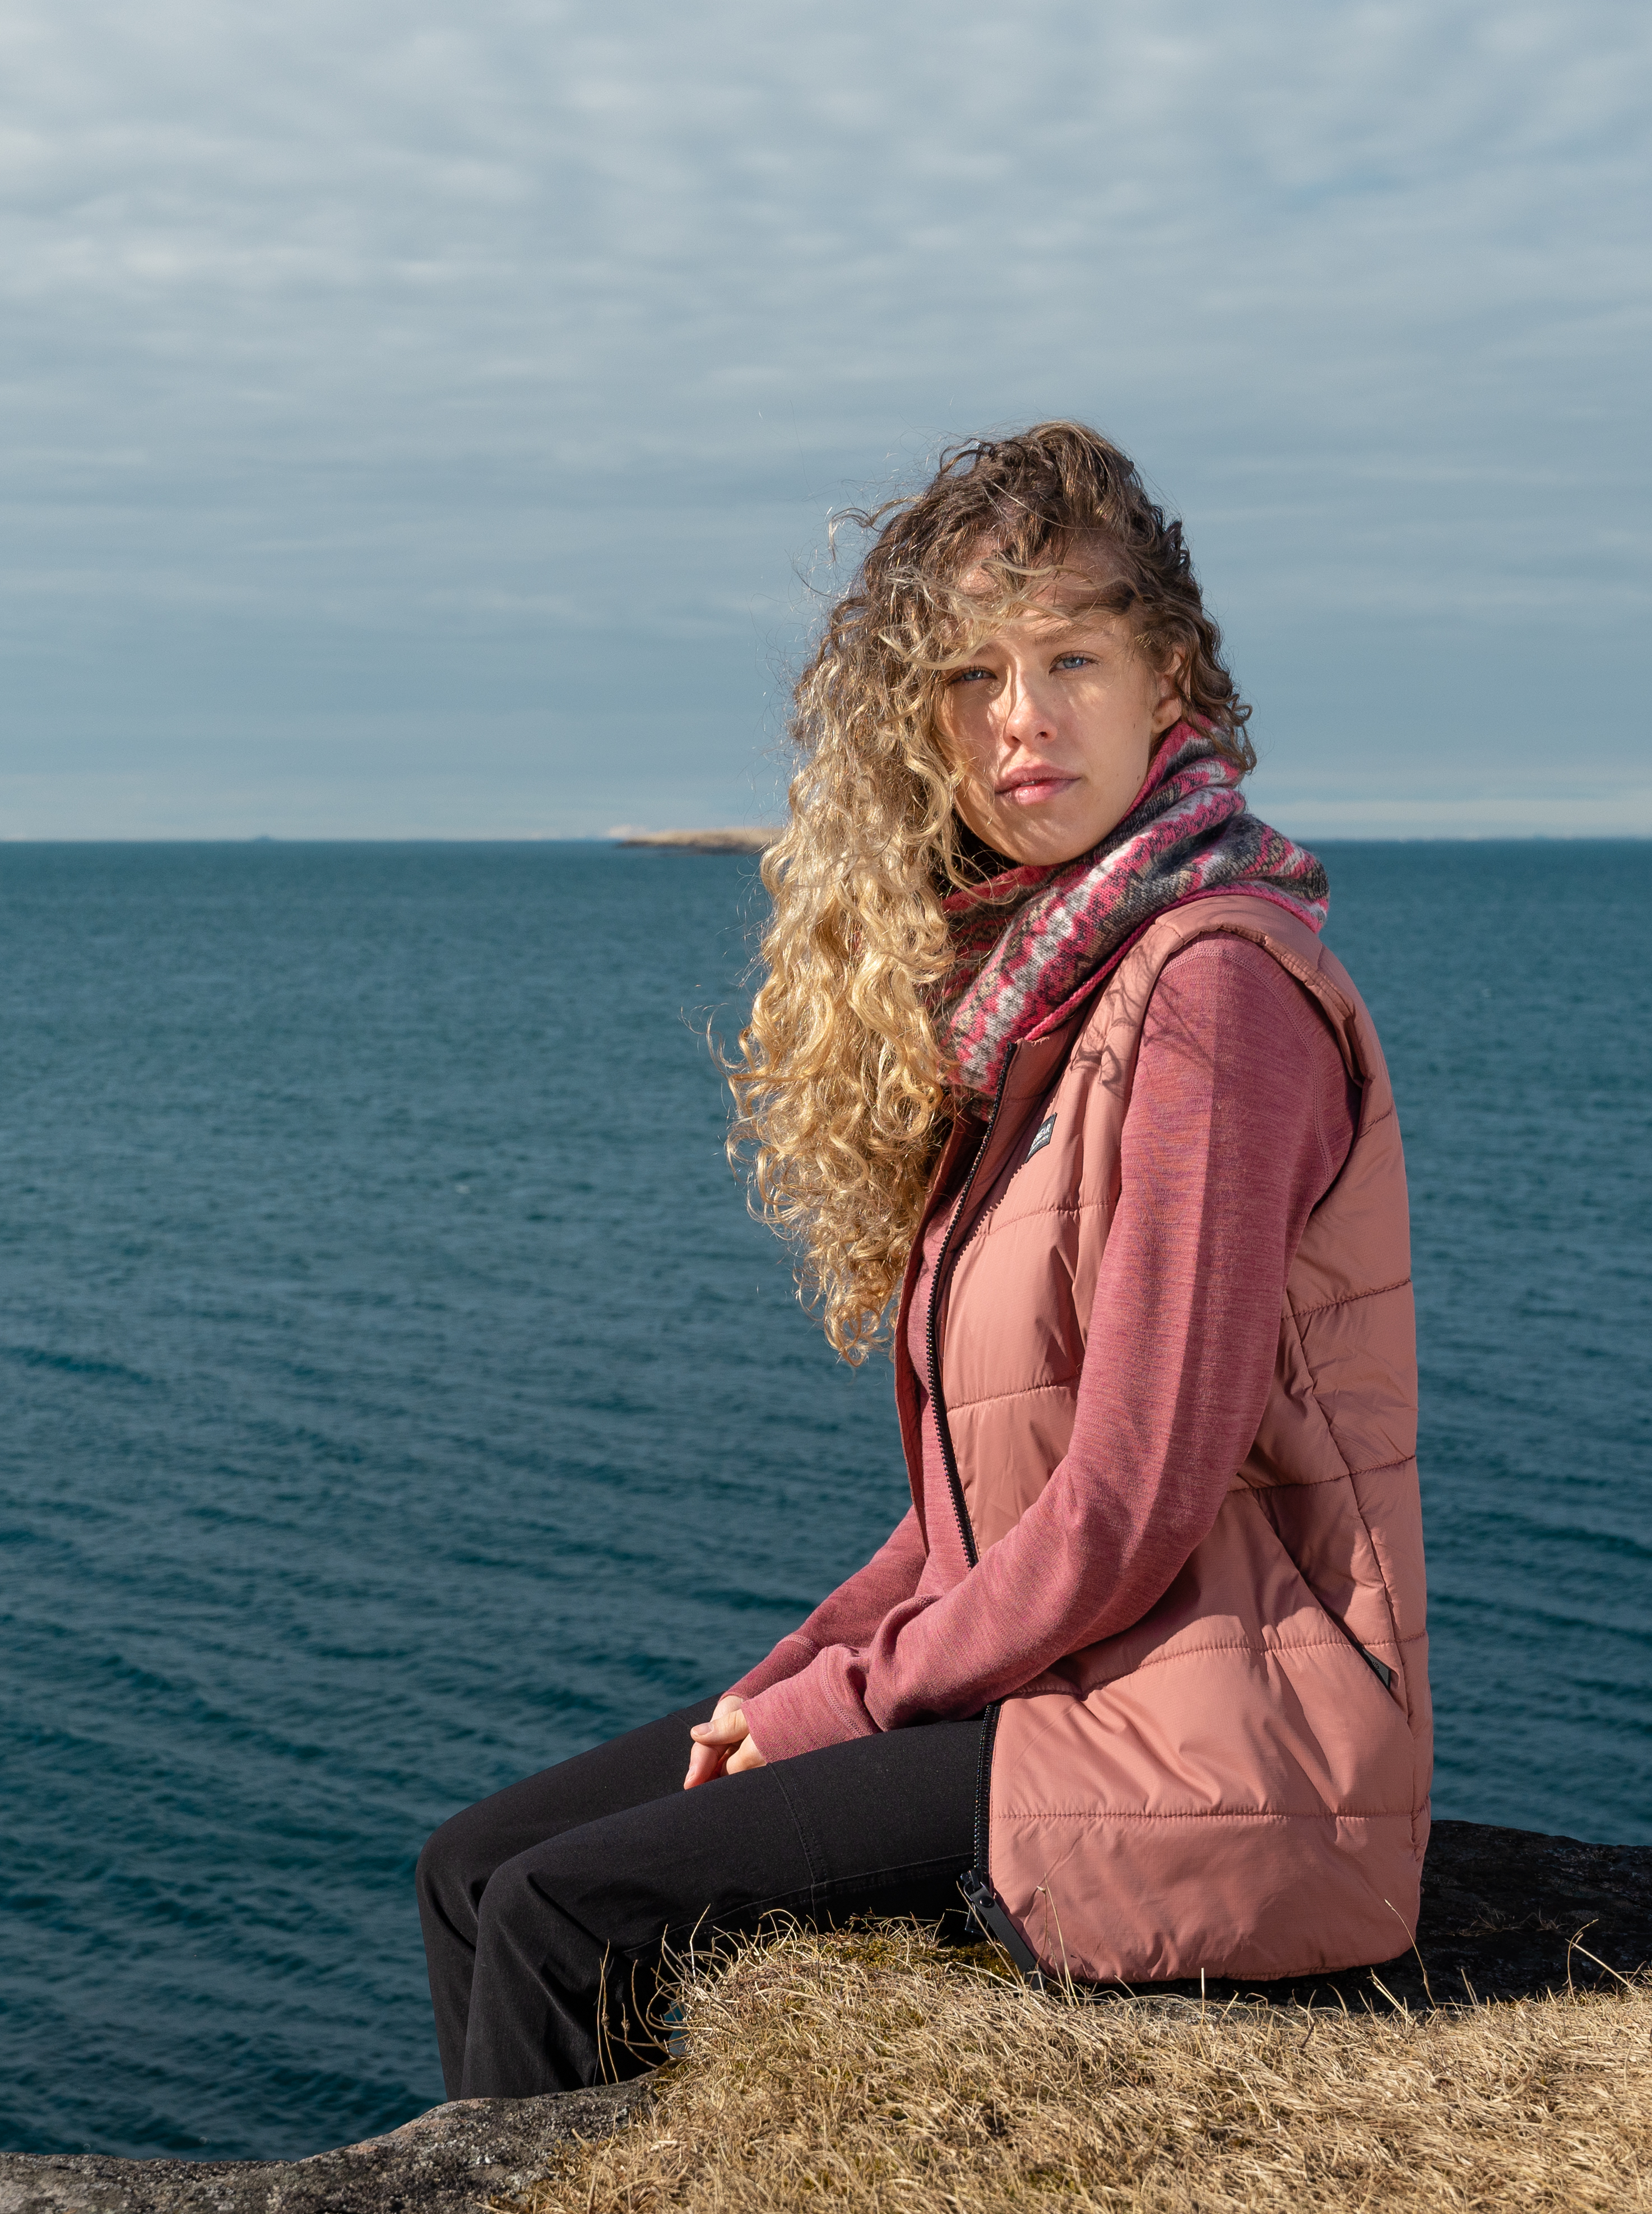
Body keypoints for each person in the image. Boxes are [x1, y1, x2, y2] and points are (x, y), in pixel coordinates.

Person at [414, 421, 1429, 2100]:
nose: (1017, 718)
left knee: (558, 1914)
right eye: (969, 674)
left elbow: (1129, 1502)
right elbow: (993, 1500)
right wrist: (801, 1667)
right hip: (1062, 1686)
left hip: (1208, 1742)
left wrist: (845, 1710)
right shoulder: (1046, 998)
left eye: (1069, 658)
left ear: (1166, 674)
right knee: (474, 1868)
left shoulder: (1207, 992)